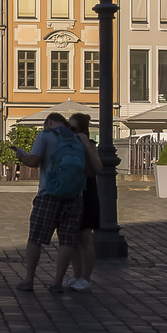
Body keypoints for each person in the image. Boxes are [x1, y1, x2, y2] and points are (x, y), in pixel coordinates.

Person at [14, 113, 91, 293]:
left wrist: (21, 156)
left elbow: (33, 161)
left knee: (35, 239)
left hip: (48, 194)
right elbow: (87, 170)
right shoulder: (78, 138)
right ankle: (57, 282)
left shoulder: (45, 136)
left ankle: (29, 280)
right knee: (67, 241)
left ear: (48, 122)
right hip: (74, 196)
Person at [52, 113, 101, 291]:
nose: (69, 131)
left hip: (87, 192)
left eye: (72, 128)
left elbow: (98, 167)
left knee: (85, 237)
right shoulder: (68, 144)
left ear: (82, 130)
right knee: (70, 237)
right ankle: (76, 275)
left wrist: (86, 145)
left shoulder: (89, 145)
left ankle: (86, 277)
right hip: (71, 191)